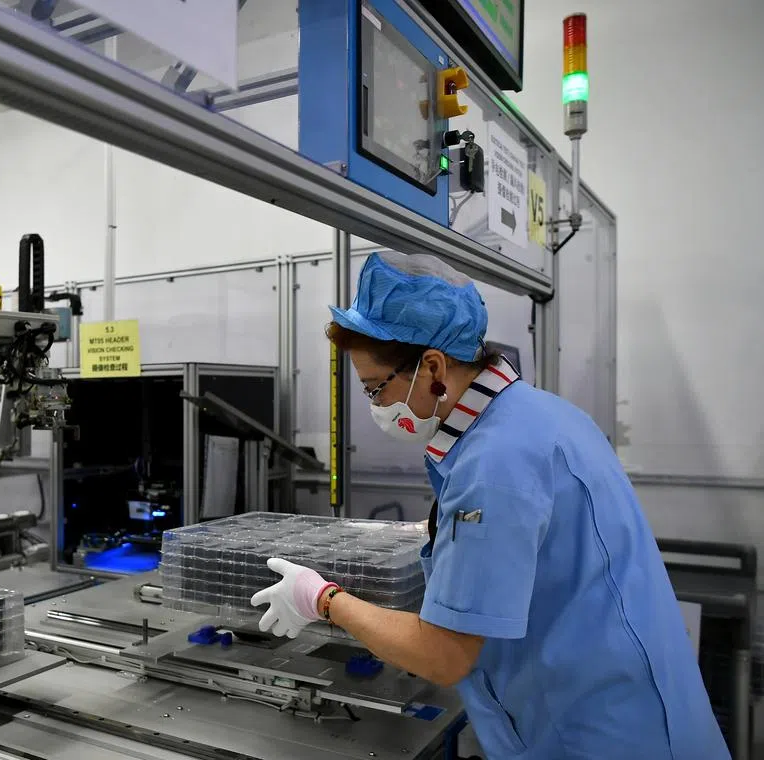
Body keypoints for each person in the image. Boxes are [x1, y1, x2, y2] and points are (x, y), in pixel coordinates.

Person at [250, 252, 727, 759]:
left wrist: (323, 599)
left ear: (432, 367)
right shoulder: (542, 416)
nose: (376, 408)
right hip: (643, 711)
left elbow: (443, 656)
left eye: (375, 388)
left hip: (596, 736)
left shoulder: (495, 462)